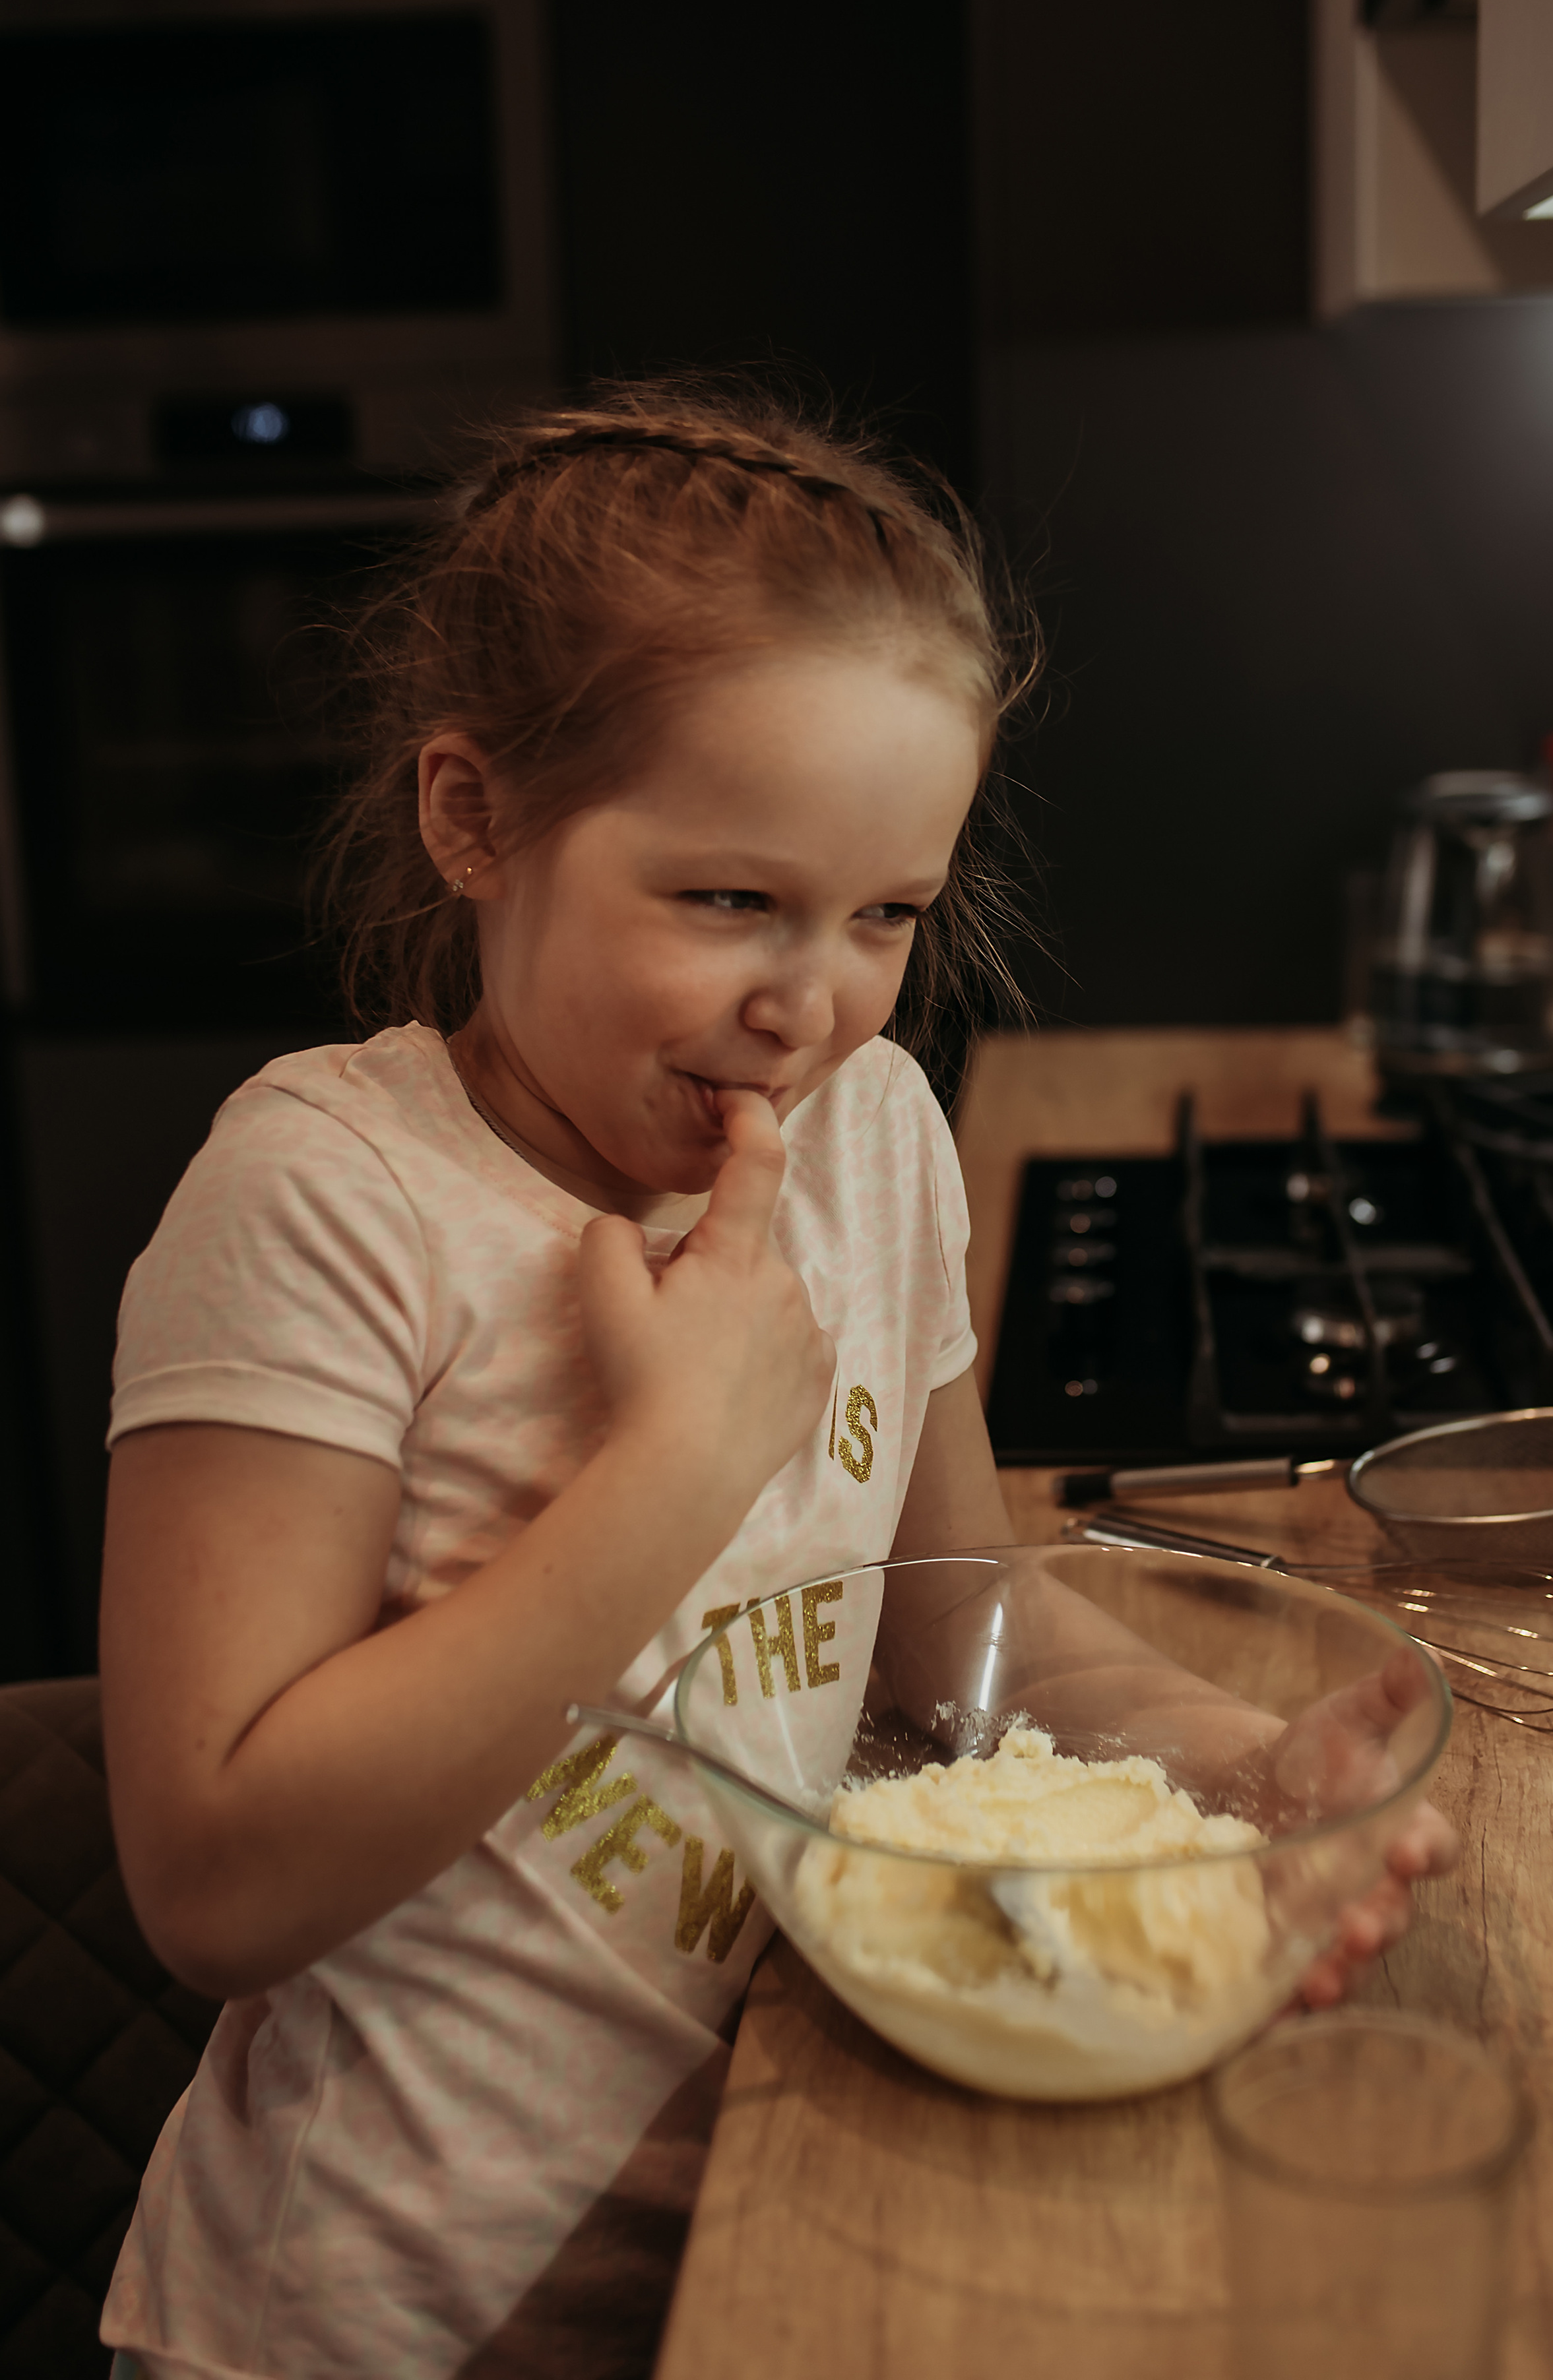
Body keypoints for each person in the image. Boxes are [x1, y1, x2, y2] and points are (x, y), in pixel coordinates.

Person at [98, 381, 1454, 2380]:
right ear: (475, 815)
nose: (807, 1001)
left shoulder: (877, 1135)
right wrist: (678, 1469)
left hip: (759, 2208)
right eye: (728, 897)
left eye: (884, 914)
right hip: (375, 2312)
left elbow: (954, 1627)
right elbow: (216, 1880)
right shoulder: (323, 1195)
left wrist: (1234, 1775)